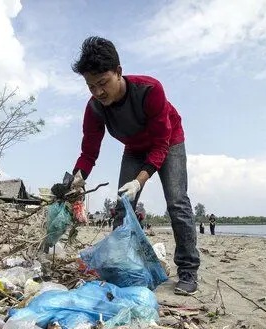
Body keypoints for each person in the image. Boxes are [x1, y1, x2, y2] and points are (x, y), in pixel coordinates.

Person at [67, 36, 200, 295]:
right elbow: (89, 152)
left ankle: (188, 269)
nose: (98, 92)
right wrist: (76, 180)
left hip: (169, 142)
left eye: (103, 83)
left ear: (119, 72)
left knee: (177, 202)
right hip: (134, 148)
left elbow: (161, 144)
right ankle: (120, 266)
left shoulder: (150, 90)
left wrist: (139, 180)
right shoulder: (95, 108)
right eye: (90, 86)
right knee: (122, 208)